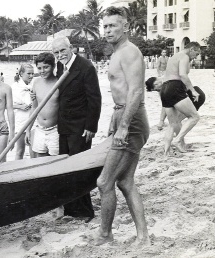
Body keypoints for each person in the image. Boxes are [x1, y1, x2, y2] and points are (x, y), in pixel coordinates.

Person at [95, 6, 150, 246]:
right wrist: (115, 120)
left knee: (104, 182)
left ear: (125, 26)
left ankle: (106, 235)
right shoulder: (117, 52)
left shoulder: (129, 52)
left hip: (133, 119)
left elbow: (137, 91)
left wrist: (124, 126)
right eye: (105, 26)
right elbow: (121, 92)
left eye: (112, 25)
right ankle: (143, 237)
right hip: (123, 115)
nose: (107, 30)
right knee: (125, 182)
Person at [52, 37, 102, 221]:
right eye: (56, 53)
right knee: (66, 167)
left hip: (81, 127)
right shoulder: (59, 67)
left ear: (71, 48)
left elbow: (95, 98)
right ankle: (71, 210)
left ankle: (85, 212)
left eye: (62, 51)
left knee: (79, 169)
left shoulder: (85, 67)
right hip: (64, 125)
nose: (59, 55)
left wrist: (91, 126)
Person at [160, 42, 201, 155]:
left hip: (165, 88)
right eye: (196, 53)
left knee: (173, 123)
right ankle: (178, 140)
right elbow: (183, 75)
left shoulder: (175, 56)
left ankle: (166, 152)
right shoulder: (184, 56)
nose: (196, 56)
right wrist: (192, 90)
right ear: (192, 49)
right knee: (194, 117)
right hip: (175, 87)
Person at [25, 52, 59, 157]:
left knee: (55, 162)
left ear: (53, 66)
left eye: (46, 67)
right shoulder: (36, 83)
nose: (42, 71)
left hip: (55, 130)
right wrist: (28, 130)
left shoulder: (59, 83)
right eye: (39, 68)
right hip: (40, 129)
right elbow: (34, 108)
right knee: (40, 160)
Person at [12, 64, 35, 160]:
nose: (31, 76)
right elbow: (7, 105)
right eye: (28, 73)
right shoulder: (14, 87)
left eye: (32, 73)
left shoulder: (34, 85)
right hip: (20, 119)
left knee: (33, 149)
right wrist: (20, 106)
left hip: (33, 120)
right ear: (21, 73)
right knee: (20, 150)